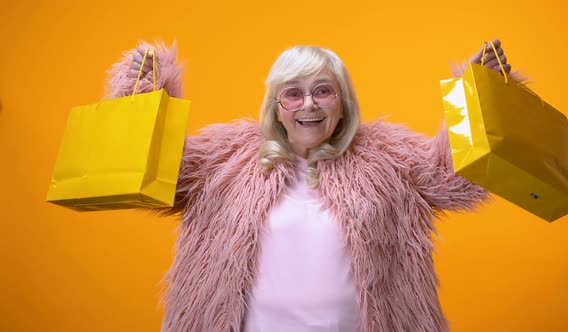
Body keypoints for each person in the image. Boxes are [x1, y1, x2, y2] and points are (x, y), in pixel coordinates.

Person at [107, 40, 519, 332]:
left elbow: (457, 180)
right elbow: (156, 173)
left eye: (323, 91)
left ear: (342, 105)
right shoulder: (223, 158)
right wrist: (143, 90)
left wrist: (480, 98)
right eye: (293, 93)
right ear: (276, 107)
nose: (308, 104)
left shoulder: (389, 157)